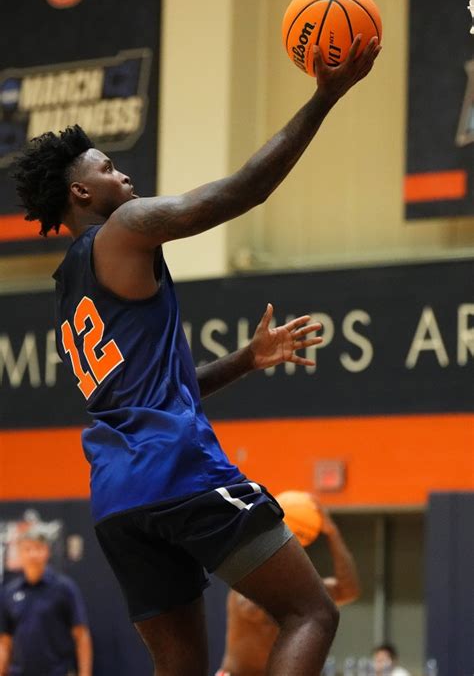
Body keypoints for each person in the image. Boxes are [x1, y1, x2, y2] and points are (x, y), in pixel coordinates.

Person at [12, 36, 380, 676]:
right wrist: (324, 98)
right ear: (80, 194)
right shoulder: (123, 231)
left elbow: (159, 392)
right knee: (312, 613)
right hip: (178, 472)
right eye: (106, 168)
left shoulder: (69, 290)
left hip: (117, 503)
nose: (123, 175)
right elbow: (239, 192)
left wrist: (246, 359)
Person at [218, 497, 361, 676]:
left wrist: (332, 533)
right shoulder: (248, 582)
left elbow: (348, 590)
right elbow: (252, 609)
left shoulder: (300, 590)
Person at [0, 527, 92, 676]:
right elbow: (5, 641)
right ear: (20, 553)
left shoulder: (64, 588)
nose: (33, 554)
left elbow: (81, 636)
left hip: (57, 672)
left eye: (38, 548)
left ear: (47, 551)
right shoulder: (9, 592)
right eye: (27, 549)